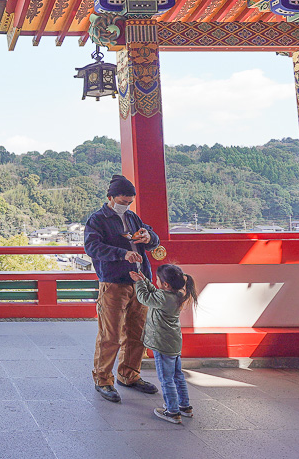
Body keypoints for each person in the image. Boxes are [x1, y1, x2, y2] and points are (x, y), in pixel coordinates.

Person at [83, 174, 160, 402]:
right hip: (114, 282)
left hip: (140, 282)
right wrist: (122, 253)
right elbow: (92, 247)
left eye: (129, 202)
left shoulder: (133, 218)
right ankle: (103, 379)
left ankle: (129, 375)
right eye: (123, 201)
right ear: (111, 197)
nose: (126, 205)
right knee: (111, 334)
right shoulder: (97, 219)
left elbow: (154, 239)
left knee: (137, 332)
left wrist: (149, 237)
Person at [130, 264, 198, 424]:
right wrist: (144, 280)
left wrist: (138, 283)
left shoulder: (163, 297)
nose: (156, 281)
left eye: (157, 280)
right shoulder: (176, 294)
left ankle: (172, 411)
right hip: (173, 344)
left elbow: (144, 298)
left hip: (162, 344)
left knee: (166, 378)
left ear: (166, 284)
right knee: (178, 376)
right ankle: (184, 406)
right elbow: (154, 292)